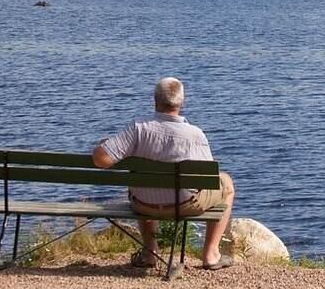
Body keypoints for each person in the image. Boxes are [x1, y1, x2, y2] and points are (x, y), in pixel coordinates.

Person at [92, 77, 236, 270]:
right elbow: (206, 179)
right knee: (226, 183)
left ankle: (150, 252)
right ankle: (210, 254)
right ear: (181, 103)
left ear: (155, 100)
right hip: (183, 206)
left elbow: (101, 159)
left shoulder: (138, 128)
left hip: (143, 205)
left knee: (145, 185)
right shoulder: (195, 135)